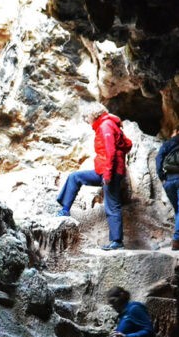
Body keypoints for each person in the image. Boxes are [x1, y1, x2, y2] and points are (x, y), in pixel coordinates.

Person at [57, 103, 133, 251]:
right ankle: (65, 210)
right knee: (75, 177)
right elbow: (124, 146)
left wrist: (108, 174)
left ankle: (117, 241)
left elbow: (110, 152)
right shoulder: (106, 125)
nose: (86, 120)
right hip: (103, 170)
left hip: (110, 172)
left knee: (112, 204)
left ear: (93, 115)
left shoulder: (106, 126)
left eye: (87, 117)